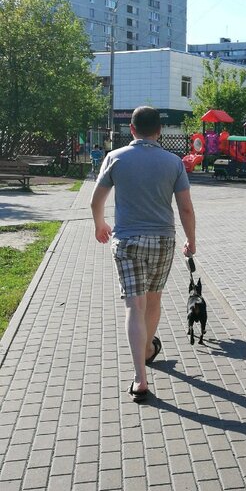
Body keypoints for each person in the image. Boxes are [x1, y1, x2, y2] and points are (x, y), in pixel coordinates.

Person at [90, 106, 196, 402]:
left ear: (132, 130)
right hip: (163, 240)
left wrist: (100, 225)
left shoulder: (115, 157)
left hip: (127, 242)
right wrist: (192, 240)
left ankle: (140, 378)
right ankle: (148, 347)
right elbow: (186, 208)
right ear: (159, 131)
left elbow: (95, 200)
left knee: (133, 307)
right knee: (153, 301)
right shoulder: (173, 162)